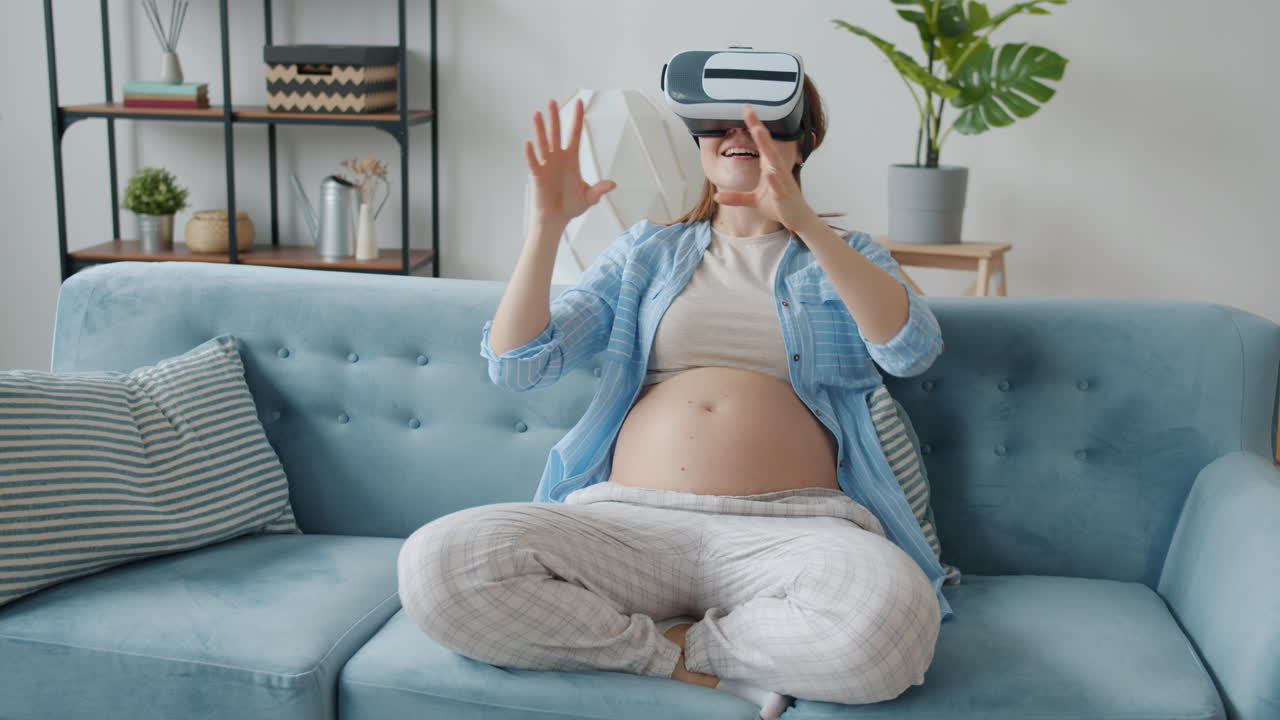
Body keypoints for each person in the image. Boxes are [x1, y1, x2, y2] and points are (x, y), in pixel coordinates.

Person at [397, 71, 948, 718]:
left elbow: (911, 348)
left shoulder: (847, 256)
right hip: (626, 526)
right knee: (438, 563)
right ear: (700, 140)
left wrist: (802, 222)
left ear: (805, 141)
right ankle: (686, 660)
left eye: (766, 120)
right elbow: (520, 367)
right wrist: (547, 226)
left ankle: (687, 644)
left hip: (793, 533)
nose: (739, 133)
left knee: (893, 626)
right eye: (717, 122)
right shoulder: (646, 251)